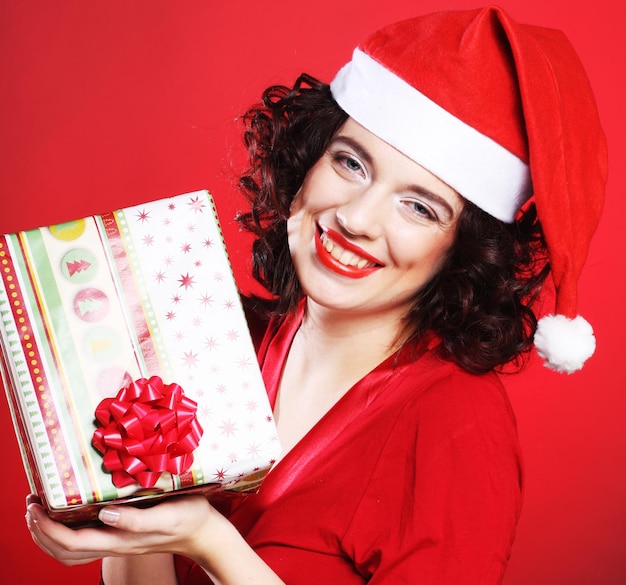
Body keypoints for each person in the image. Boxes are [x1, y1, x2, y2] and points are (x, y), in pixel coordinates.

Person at [24, 6, 606, 585]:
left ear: (462, 251)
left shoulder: (457, 428)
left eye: (419, 207)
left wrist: (212, 543)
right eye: (351, 163)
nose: (355, 218)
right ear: (307, 158)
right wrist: (126, 519)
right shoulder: (218, 342)